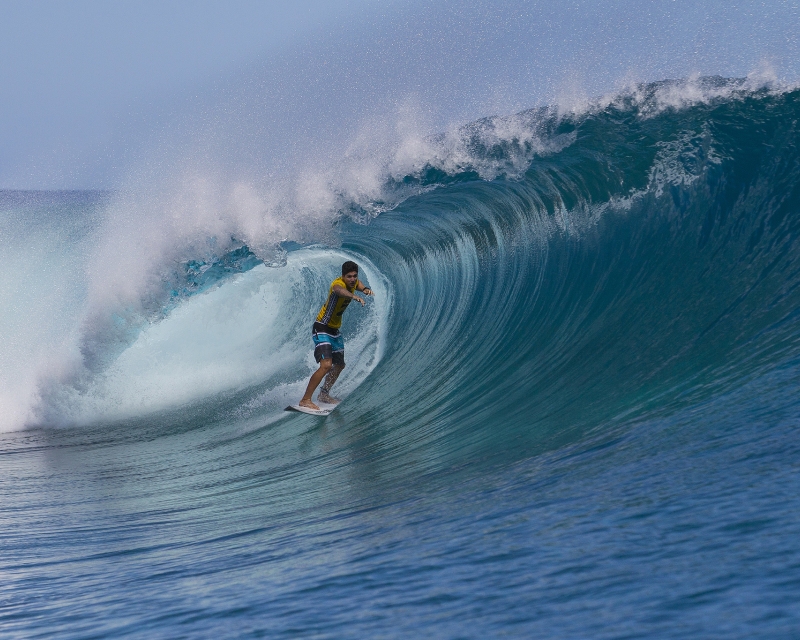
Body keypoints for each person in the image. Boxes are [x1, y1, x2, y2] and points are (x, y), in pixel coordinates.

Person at [299, 260, 373, 410]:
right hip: (322, 327)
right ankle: (305, 399)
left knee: (339, 365)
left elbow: (358, 284)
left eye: (354, 276)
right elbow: (340, 291)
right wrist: (354, 297)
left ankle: (324, 394)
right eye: (349, 277)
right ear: (342, 276)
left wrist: (364, 289)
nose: (352, 279)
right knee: (326, 365)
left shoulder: (354, 282)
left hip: (334, 330)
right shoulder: (337, 284)